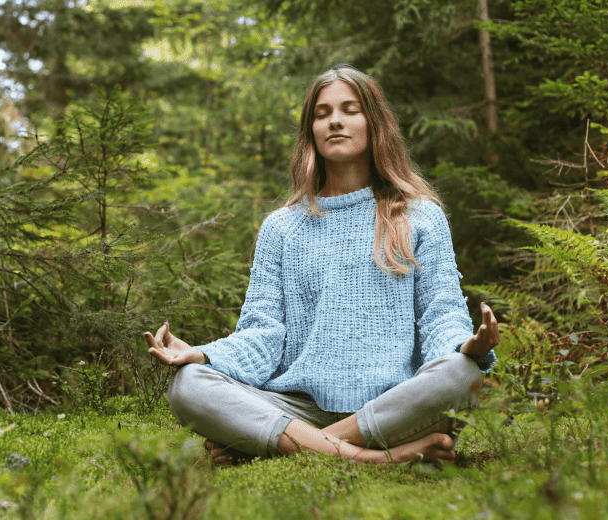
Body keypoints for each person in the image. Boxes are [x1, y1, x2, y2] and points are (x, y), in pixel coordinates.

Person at [144, 65, 499, 467]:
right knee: (188, 386)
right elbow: (261, 334)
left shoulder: (420, 217)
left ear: (374, 123)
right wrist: (203, 356)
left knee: (460, 373)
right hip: (298, 407)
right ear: (310, 130)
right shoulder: (282, 228)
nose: (334, 121)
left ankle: (279, 450)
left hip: (390, 403)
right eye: (322, 113)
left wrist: (463, 346)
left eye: (350, 110)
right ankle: (379, 459)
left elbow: (441, 314)